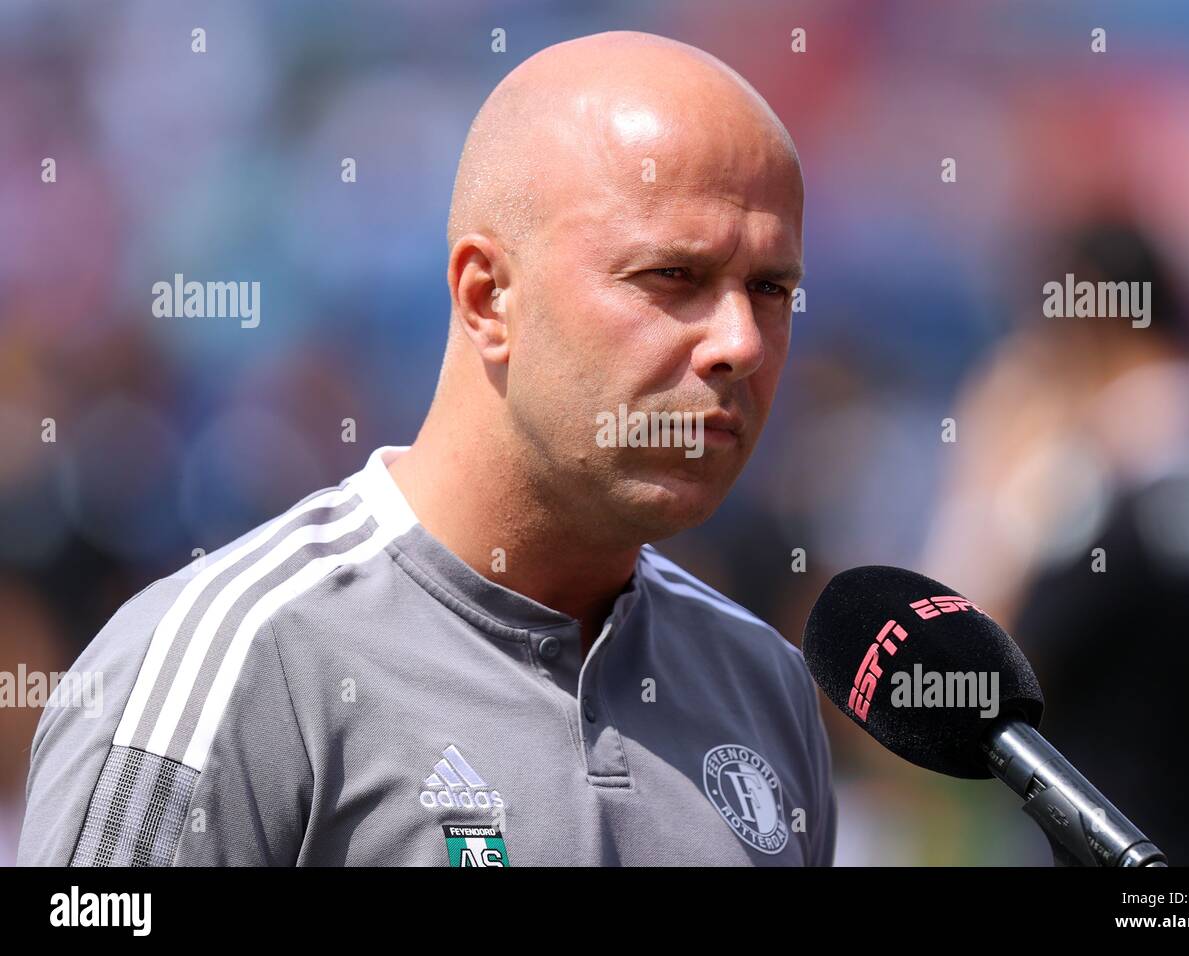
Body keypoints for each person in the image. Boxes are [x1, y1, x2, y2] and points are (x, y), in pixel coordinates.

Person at [18, 31, 836, 866]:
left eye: (771, 290)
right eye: (672, 277)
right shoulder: (233, 660)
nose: (741, 343)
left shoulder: (762, 687)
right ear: (487, 298)